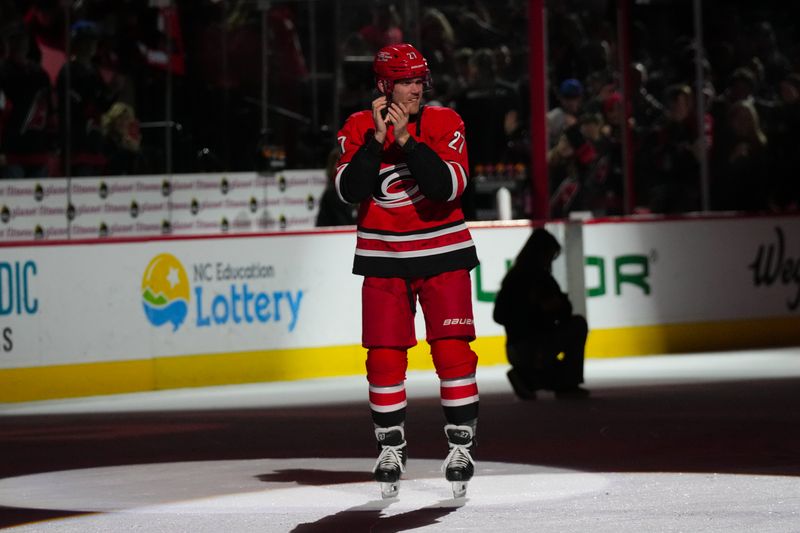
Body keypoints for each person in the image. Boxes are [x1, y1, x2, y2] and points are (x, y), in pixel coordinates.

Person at [335, 43, 480, 499]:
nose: (417, 89)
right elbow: (349, 190)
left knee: (453, 351)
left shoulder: (445, 121)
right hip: (383, 258)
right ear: (384, 86)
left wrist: (406, 142)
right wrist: (377, 140)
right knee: (383, 356)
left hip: (443, 254)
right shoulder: (358, 126)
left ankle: (461, 447)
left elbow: (446, 187)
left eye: (420, 80)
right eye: (406, 82)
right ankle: (390, 448)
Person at [493, 228, 589, 400]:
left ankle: (528, 377)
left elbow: (498, 315)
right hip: (533, 346)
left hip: (518, 347)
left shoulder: (515, 277)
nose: (549, 261)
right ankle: (540, 380)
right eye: (549, 256)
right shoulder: (537, 279)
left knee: (556, 364)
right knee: (578, 324)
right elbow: (565, 312)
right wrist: (540, 310)